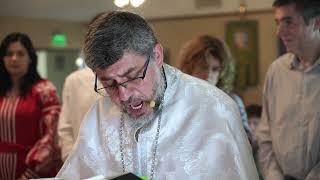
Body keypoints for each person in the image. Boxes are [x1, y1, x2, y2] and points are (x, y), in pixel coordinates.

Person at [57, 11, 258, 180]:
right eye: (109, 84)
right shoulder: (100, 115)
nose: (124, 96)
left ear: (158, 56)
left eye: (133, 76)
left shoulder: (215, 108)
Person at [256, 0, 320, 180]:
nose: (279, 32)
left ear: (316, 23)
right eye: (277, 23)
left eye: (288, 22)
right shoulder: (276, 72)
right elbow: (265, 135)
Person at [0, 32, 62, 179]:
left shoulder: (45, 90)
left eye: (20, 53)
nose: (14, 58)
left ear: (30, 58)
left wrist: (30, 172)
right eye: (9, 54)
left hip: (34, 172)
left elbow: (52, 135)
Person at [178, 35, 253, 142]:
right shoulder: (179, 101)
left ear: (222, 72)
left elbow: (248, 144)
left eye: (215, 69)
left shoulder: (231, 101)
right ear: (190, 67)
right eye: (203, 67)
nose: (208, 75)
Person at [58, 66, 100, 161]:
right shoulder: (75, 80)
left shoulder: (129, 76)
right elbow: (65, 127)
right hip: (83, 163)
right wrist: (71, 161)